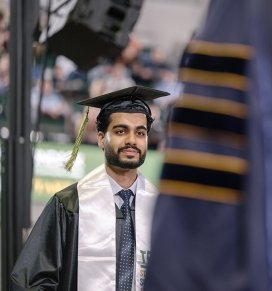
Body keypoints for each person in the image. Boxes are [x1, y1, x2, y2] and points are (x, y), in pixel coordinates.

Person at [11, 85, 170, 291]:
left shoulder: (162, 209)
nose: (132, 140)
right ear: (101, 138)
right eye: (121, 131)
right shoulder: (70, 204)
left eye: (140, 132)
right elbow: (31, 282)